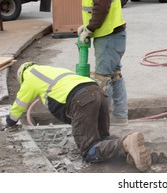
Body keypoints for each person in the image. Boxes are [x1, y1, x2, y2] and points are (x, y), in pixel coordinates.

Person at [4, 62, 152, 172]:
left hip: (82, 100)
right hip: (97, 92)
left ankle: (125, 143)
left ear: (21, 76)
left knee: (89, 150)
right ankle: (131, 148)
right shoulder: (50, 70)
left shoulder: (30, 76)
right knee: (101, 137)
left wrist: (10, 122)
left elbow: (19, 104)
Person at [72, 0, 128, 125]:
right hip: (112, 36)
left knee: (103, 81)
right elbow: (96, 8)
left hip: (108, 37)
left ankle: (104, 125)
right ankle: (120, 117)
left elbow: (101, 9)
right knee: (115, 76)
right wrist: (86, 26)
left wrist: (89, 29)